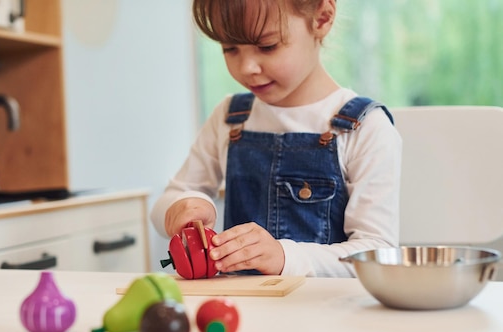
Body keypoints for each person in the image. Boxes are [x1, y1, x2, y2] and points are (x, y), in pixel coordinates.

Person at [150, 0, 402, 277]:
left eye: (267, 46)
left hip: (326, 313)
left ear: (322, 18)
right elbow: (169, 198)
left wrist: (284, 257)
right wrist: (184, 206)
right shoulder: (230, 116)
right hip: (243, 310)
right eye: (229, 48)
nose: (246, 67)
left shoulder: (364, 127)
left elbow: (377, 254)